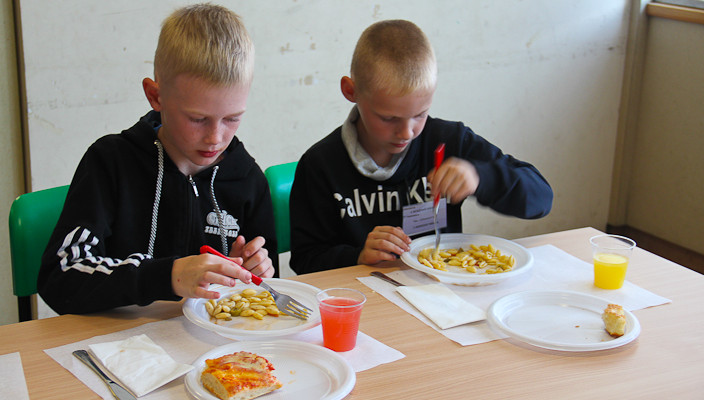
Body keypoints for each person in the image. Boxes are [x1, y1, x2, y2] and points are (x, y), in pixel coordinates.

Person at [38, 4, 277, 315]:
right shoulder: (110, 163)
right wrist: (167, 276)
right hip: (121, 339)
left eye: (232, 118)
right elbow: (59, 278)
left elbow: (266, 297)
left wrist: (255, 272)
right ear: (155, 96)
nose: (216, 138)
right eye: (197, 119)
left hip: (211, 342)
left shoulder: (248, 178)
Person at [289, 19, 553, 274]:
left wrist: (481, 178)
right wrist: (357, 256)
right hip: (365, 295)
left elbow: (541, 199)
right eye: (388, 118)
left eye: (420, 114)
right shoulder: (321, 164)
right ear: (351, 91)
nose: (407, 132)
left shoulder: (449, 141)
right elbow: (305, 260)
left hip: (443, 291)